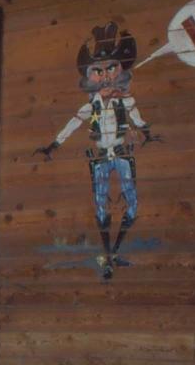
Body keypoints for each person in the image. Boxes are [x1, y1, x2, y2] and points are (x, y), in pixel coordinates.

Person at [35, 22, 161, 280]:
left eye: (111, 70)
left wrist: (147, 135)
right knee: (101, 207)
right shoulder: (89, 107)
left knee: (132, 205)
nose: (105, 77)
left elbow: (137, 118)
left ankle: (114, 250)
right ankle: (108, 255)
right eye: (99, 72)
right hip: (101, 157)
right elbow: (73, 123)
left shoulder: (125, 102)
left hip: (123, 153)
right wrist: (54, 145)